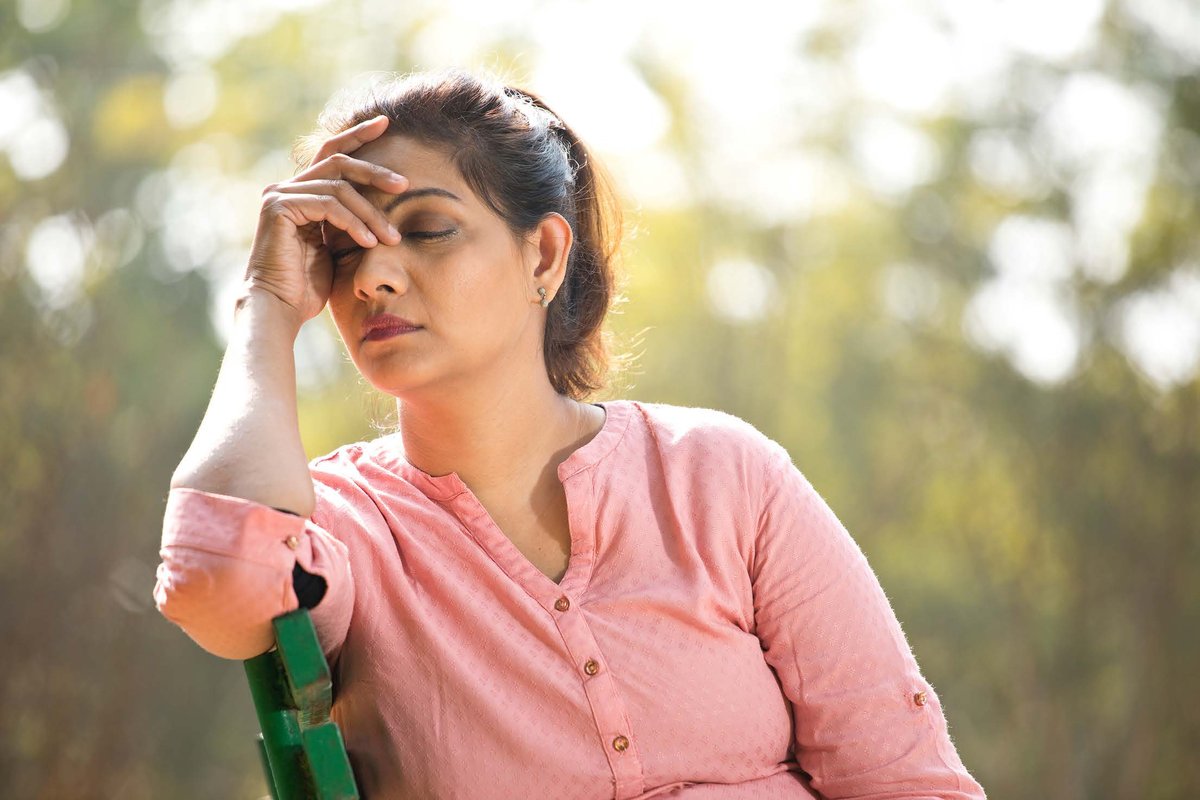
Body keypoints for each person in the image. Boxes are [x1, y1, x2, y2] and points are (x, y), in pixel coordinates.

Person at [154, 69, 986, 800]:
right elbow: (215, 578)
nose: (372, 274)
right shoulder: (343, 534)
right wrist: (265, 301)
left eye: (426, 228)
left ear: (544, 255)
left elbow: (904, 780)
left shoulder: (720, 477)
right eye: (342, 248)